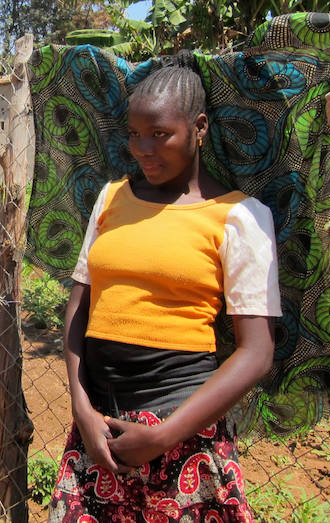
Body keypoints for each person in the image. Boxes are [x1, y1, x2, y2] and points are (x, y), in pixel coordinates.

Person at [48, 65, 281, 523]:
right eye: (135, 135)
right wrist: (81, 408)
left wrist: (163, 436)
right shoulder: (111, 198)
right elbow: (79, 307)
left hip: (181, 433)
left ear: (199, 128)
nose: (143, 150)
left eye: (159, 134)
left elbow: (256, 353)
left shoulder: (239, 217)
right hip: (98, 431)